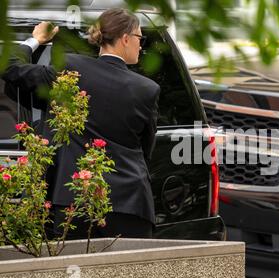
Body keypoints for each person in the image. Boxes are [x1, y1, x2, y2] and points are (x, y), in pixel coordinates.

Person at [2, 8, 160, 239]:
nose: (141, 44)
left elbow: (11, 67)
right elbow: (147, 149)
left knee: (72, 270)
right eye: (139, 38)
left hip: (72, 199)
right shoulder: (147, 89)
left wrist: (35, 40)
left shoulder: (69, 68)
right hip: (130, 202)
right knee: (130, 273)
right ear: (125, 38)